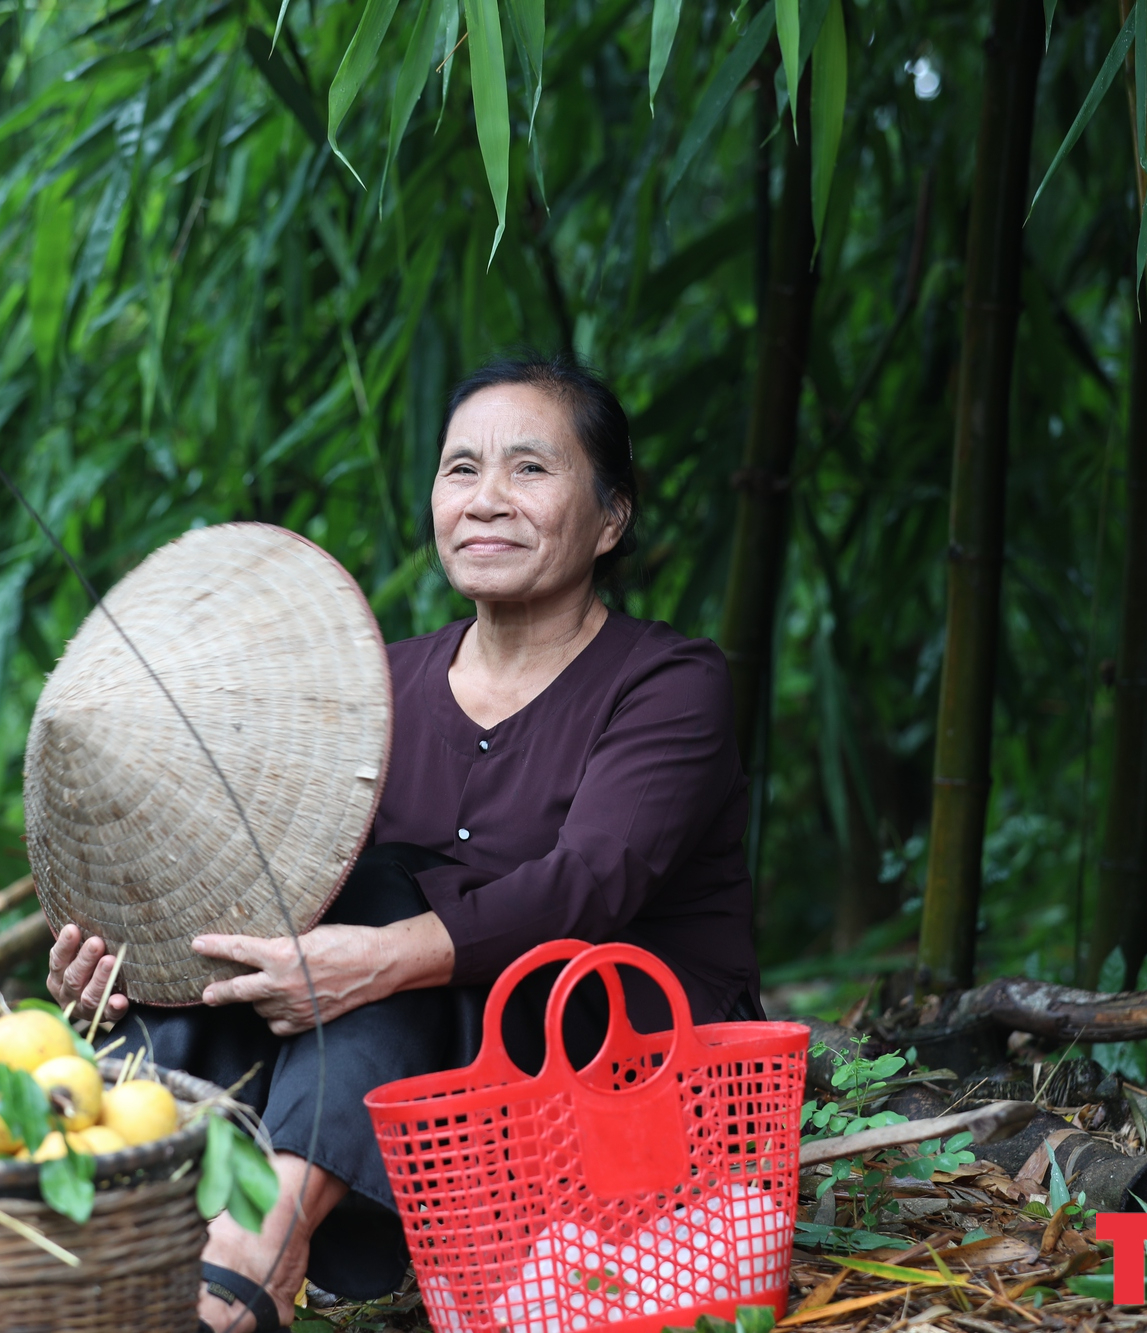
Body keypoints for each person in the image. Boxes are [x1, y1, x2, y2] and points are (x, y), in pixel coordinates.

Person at [45, 354, 759, 1332]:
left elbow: (589, 885)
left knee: (384, 902)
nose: (486, 500)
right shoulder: (372, 688)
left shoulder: (670, 683)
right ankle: (102, 1215)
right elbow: (274, 889)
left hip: (605, 1071)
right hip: (408, 1100)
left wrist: (378, 959)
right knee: (249, 933)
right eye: (460, 469)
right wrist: (130, 961)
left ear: (610, 519)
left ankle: (261, 1244)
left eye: (530, 469)